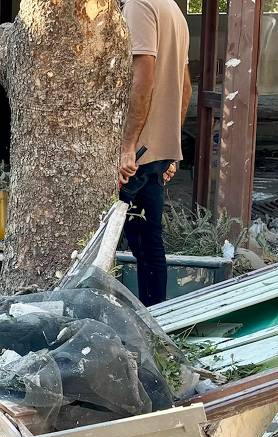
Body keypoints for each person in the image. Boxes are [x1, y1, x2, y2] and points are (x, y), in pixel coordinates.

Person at [119, 0, 192, 307]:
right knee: (149, 245)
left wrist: (127, 145)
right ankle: (156, 319)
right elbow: (186, 87)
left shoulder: (138, 6)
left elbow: (143, 77)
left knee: (98, 238)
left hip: (136, 154)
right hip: (157, 151)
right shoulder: (173, 10)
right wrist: (171, 146)